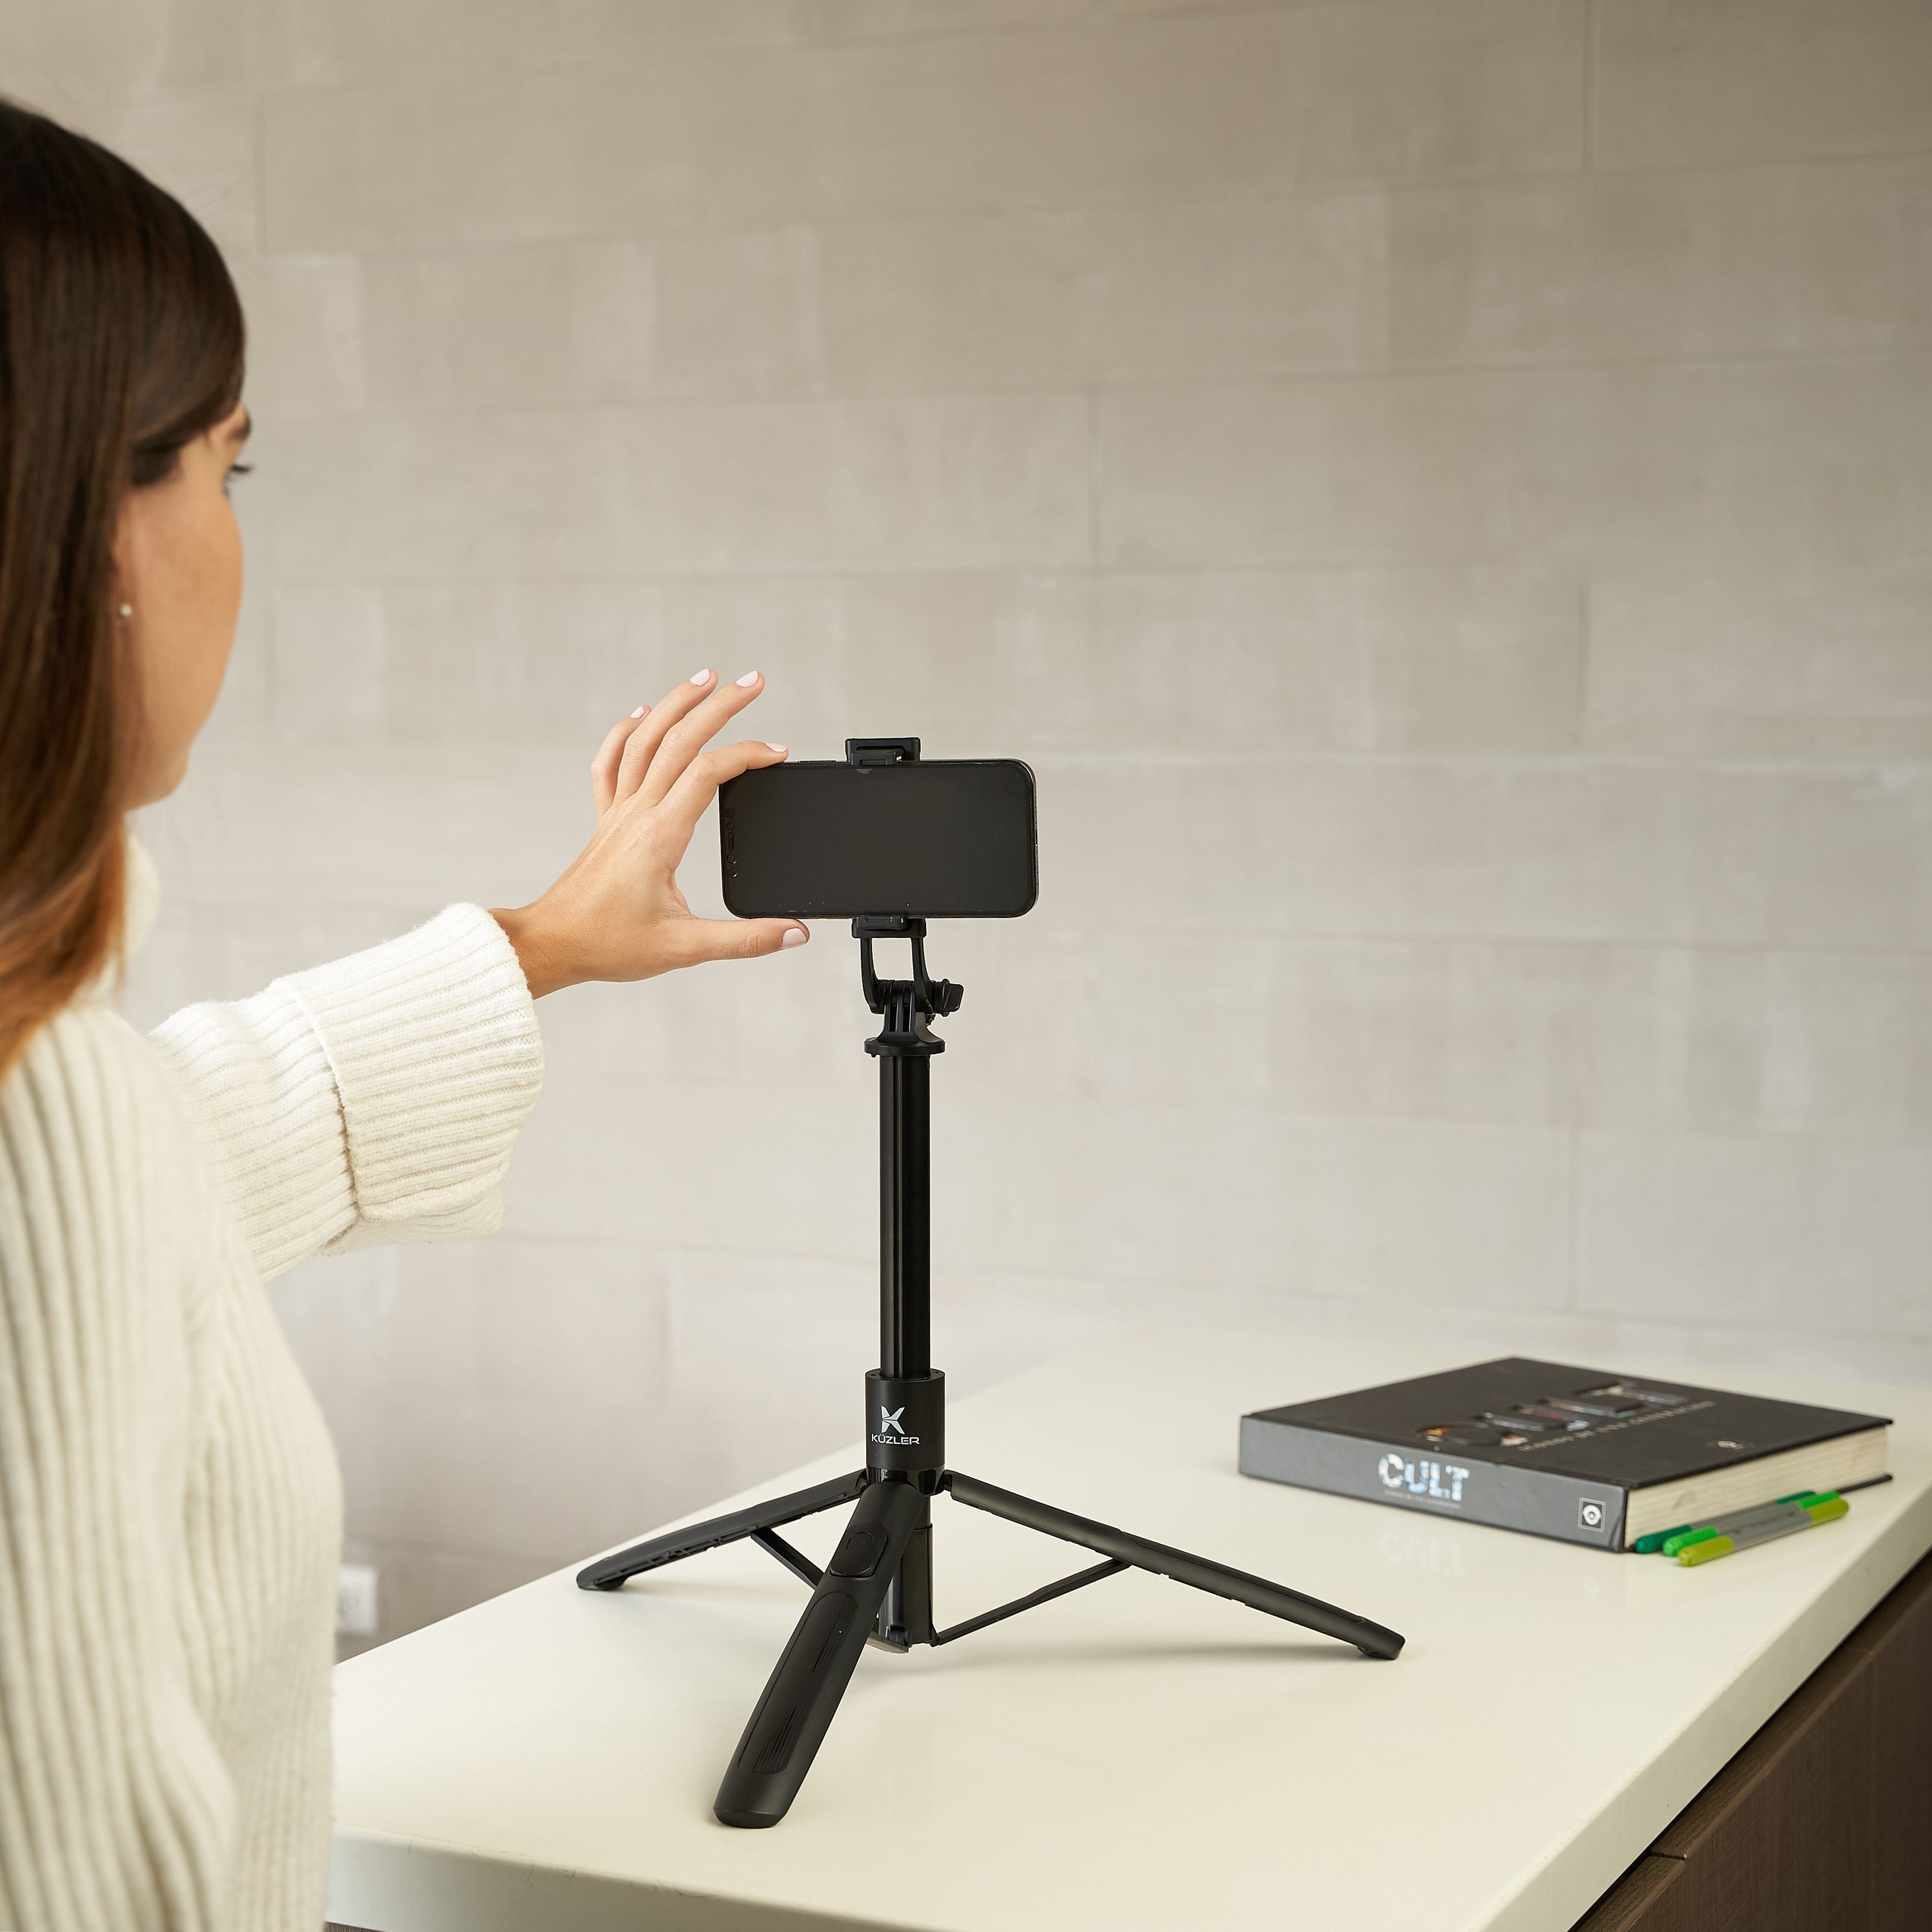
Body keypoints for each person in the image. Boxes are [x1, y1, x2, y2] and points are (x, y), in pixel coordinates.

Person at [0, 100, 809, 1931]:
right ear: (87, 528)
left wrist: (537, 941)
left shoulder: (75, 1108)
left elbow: (171, 1149)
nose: (234, 537)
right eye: (230, 467)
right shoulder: (46, 1106)